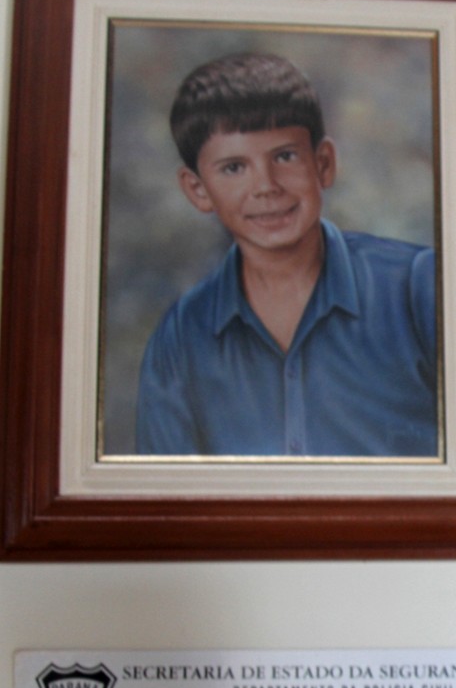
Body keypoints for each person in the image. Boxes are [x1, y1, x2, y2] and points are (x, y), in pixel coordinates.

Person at [135, 52, 438, 456]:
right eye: (233, 167)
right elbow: (164, 492)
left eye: (284, 156)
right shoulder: (180, 338)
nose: (266, 186)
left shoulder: (418, 289)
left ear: (323, 164)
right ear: (198, 190)